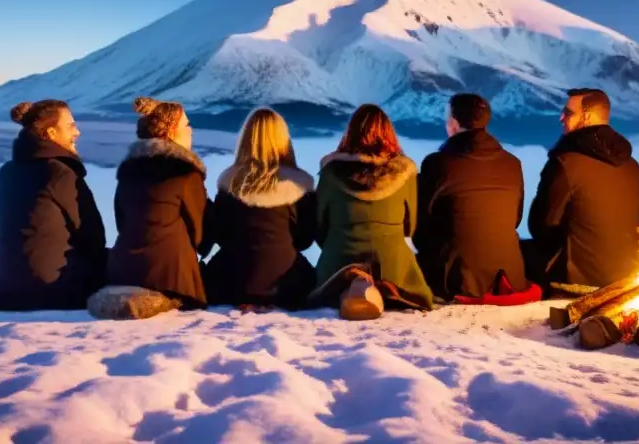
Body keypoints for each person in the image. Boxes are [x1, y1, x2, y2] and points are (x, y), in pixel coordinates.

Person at [311, 104, 433, 319]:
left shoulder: (330, 172)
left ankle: (352, 283)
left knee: (329, 284)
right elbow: (410, 227)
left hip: (338, 261)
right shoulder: (405, 172)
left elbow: (319, 226)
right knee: (406, 280)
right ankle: (384, 286)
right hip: (393, 264)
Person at [0, 100, 106, 311]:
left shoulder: (5, 172)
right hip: (50, 292)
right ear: (50, 133)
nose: (77, 132)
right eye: (70, 126)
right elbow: (94, 238)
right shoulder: (60, 173)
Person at [413, 93, 532, 302]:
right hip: (508, 275)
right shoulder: (512, 163)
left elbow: (420, 224)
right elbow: (515, 219)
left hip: (454, 278)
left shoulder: (437, 163)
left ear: (453, 124)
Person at [526, 88, 639, 288]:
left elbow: (541, 225)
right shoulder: (632, 165)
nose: (561, 118)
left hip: (576, 276)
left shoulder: (566, 163)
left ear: (587, 117)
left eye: (568, 113)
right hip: (625, 272)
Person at [204, 108, 316, 309]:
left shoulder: (229, 182)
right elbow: (305, 239)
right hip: (286, 284)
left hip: (231, 281)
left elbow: (220, 234)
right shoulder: (299, 185)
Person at [105, 97, 211, 309]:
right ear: (171, 132)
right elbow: (201, 233)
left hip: (123, 273)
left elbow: (122, 222)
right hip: (172, 279)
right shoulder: (183, 171)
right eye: (187, 125)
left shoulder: (128, 170)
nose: (191, 130)